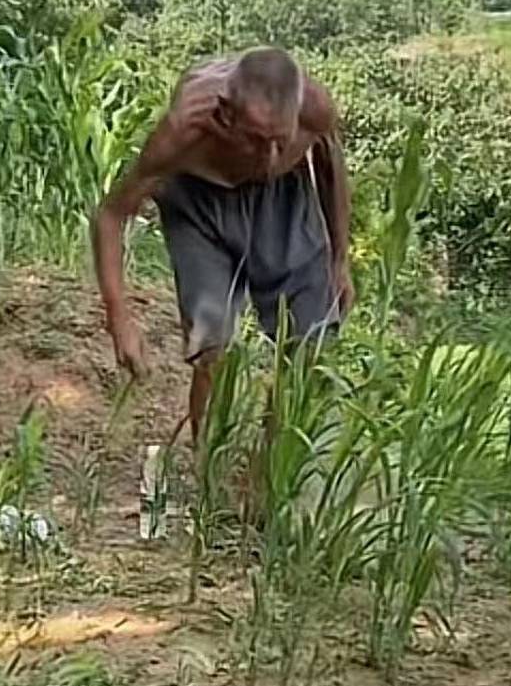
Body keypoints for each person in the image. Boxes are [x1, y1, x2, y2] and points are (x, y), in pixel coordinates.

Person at [91, 46, 353, 443]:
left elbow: (332, 170)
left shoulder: (315, 109)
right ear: (225, 115)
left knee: (309, 349)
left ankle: (271, 480)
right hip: (199, 204)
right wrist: (119, 320)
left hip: (279, 201)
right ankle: (208, 478)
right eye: (255, 140)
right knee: (211, 350)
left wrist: (339, 259)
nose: (268, 157)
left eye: (281, 142)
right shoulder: (184, 130)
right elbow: (110, 216)